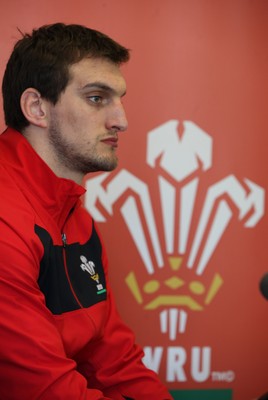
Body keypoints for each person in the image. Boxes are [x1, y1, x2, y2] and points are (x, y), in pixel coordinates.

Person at [0, 23, 172, 400]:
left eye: (120, 99)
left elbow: (112, 358)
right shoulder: (4, 222)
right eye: (97, 98)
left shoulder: (74, 215)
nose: (121, 121)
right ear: (37, 107)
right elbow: (44, 390)